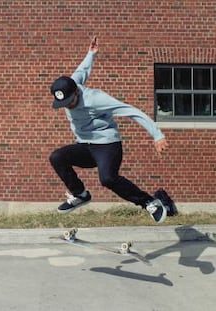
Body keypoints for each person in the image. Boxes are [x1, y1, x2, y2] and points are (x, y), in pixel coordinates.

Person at [49, 36, 174, 223]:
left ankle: (149, 202)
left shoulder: (95, 99)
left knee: (107, 178)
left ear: (76, 92)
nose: (69, 106)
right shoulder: (72, 84)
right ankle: (80, 194)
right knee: (57, 157)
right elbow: (82, 70)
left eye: (71, 102)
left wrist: (157, 135)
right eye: (64, 104)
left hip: (107, 146)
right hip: (85, 146)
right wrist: (91, 54)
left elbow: (131, 110)